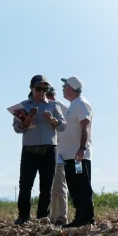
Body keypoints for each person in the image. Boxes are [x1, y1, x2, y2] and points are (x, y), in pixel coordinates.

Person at [12, 75, 67, 225]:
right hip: (30, 149)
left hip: (49, 149)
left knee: (46, 186)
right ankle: (23, 216)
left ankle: (43, 217)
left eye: (45, 88)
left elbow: (63, 126)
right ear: (31, 88)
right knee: (25, 185)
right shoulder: (23, 106)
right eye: (39, 88)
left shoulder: (54, 105)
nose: (42, 91)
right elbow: (16, 129)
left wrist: (52, 120)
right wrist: (26, 122)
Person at [59, 76, 95, 227]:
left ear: (70, 88)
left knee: (82, 186)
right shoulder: (73, 105)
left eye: (64, 86)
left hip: (78, 156)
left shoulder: (81, 103)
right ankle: (80, 217)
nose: (62, 89)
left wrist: (82, 147)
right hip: (70, 155)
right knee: (74, 187)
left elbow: (85, 126)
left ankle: (87, 218)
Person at [45, 86, 69, 226]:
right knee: (51, 189)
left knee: (60, 188)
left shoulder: (62, 108)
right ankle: (53, 217)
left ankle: (61, 217)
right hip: (48, 153)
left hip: (60, 153)